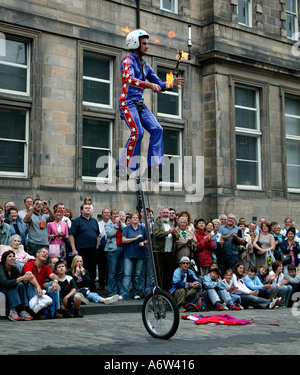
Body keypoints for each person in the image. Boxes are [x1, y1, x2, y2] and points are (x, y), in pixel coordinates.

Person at [117, 29, 184, 180]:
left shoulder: (145, 65)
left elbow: (158, 83)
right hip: (127, 102)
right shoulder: (127, 61)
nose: (147, 46)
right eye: (144, 43)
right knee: (137, 132)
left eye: (147, 43)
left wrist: (170, 83)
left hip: (139, 104)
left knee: (157, 129)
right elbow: (129, 80)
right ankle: (124, 166)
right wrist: (149, 86)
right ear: (135, 43)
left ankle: (152, 169)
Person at [21, 248, 62, 319]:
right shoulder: (28, 264)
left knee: (54, 284)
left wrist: (55, 281)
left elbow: (54, 276)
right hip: (28, 291)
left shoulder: (45, 267)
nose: (45, 254)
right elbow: (29, 276)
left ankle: (56, 310)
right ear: (37, 254)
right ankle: (34, 311)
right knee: (31, 284)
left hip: (40, 291)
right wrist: (38, 287)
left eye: (47, 253)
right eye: (43, 252)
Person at [69, 203, 100, 292]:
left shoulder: (94, 221)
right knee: (82, 269)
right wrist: (74, 249)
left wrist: (97, 246)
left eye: (89, 208)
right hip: (81, 249)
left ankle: (92, 287)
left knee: (93, 269)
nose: (88, 209)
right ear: (81, 210)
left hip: (92, 249)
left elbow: (97, 235)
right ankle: (83, 287)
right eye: (86, 208)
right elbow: (71, 235)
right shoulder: (77, 221)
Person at [0, 250, 35, 321]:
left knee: (20, 284)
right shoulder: (1, 268)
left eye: (13, 256)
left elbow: (21, 281)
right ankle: (12, 311)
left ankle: (22, 311)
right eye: (9, 256)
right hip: (2, 295)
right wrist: (22, 278)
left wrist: (25, 279)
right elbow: (5, 283)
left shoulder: (14, 269)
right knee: (12, 286)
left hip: (10, 294)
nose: (12, 258)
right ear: (4, 259)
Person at [120, 212, 148, 300]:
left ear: (139, 219)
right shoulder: (127, 229)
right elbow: (123, 240)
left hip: (140, 254)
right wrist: (135, 239)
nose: (135, 219)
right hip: (129, 254)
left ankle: (135, 293)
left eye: (137, 217)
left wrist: (143, 242)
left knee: (137, 275)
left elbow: (147, 240)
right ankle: (124, 293)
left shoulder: (142, 228)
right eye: (133, 217)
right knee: (127, 274)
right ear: (131, 219)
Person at [152, 207, 179, 291]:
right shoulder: (157, 223)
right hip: (159, 251)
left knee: (168, 272)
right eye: (164, 213)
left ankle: (166, 290)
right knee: (159, 272)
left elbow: (177, 236)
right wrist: (167, 232)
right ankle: (159, 290)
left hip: (169, 251)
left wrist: (173, 233)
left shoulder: (171, 223)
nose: (165, 214)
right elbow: (156, 234)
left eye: (167, 213)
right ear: (160, 214)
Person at [104, 208, 125, 297]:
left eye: (117, 214)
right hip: (112, 250)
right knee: (112, 272)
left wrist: (121, 223)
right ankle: (112, 292)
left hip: (122, 249)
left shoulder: (121, 224)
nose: (116, 216)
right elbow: (110, 234)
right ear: (111, 216)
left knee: (120, 272)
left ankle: (119, 291)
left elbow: (126, 230)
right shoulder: (108, 224)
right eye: (114, 214)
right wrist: (116, 225)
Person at [97, 207, 110, 290]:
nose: (106, 214)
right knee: (101, 266)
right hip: (101, 246)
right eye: (105, 212)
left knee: (110, 266)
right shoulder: (99, 224)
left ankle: (109, 283)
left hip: (110, 247)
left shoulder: (112, 224)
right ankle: (101, 283)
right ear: (102, 214)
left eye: (108, 212)